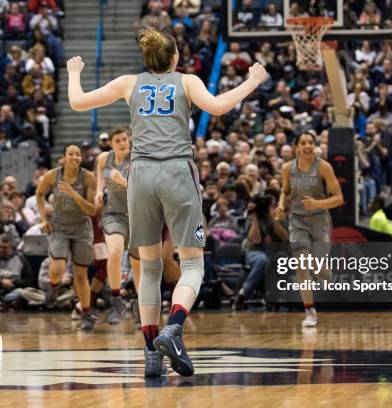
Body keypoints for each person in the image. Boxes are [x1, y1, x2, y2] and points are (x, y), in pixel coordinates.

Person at [67, 28, 267, 377]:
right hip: (176, 171)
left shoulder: (129, 83)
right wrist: (253, 79)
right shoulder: (186, 81)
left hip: (140, 175)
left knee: (148, 267)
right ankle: (173, 328)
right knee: (192, 265)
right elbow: (218, 107)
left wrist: (73, 73)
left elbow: (77, 102)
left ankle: (151, 355)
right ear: (174, 58)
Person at [276, 132, 344, 327]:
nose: (307, 146)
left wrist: (317, 203)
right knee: (302, 264)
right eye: (303, 143)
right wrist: (281, 206)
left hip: (320, 220)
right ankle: (309, 310)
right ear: (296, 146)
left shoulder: (323, 167)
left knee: (318, 269)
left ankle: (332, 279)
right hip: (297, 220)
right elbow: (285, 191)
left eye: (310, 143)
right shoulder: (288, 168)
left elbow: (338, 198)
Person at [36, 144, 97, 329]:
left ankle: (86, 313)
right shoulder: (53, 175)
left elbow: (92, 211)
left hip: (81, 228)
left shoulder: (88, 177)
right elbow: (39, 194)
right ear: (64, 157)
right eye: (71, 154)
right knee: (57, 269)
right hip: (60, 227)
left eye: (78, 154)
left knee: (81, 275)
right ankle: (53, 287)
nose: (75, 157)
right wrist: (42, 218)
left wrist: (73, 193)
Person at [94, 128, 140, 325]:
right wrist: (98, 192)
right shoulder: (104, 158)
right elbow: (99, 178)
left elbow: (144, 188)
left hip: (137, 214)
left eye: (125, 139)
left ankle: (140, 306)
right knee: (114, 252)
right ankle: (115, 299)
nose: (123, 143)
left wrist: (125, 182)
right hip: (113, 214)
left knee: (138, 266)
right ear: (111, 144)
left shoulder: (137, 159)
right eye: (118, 140)